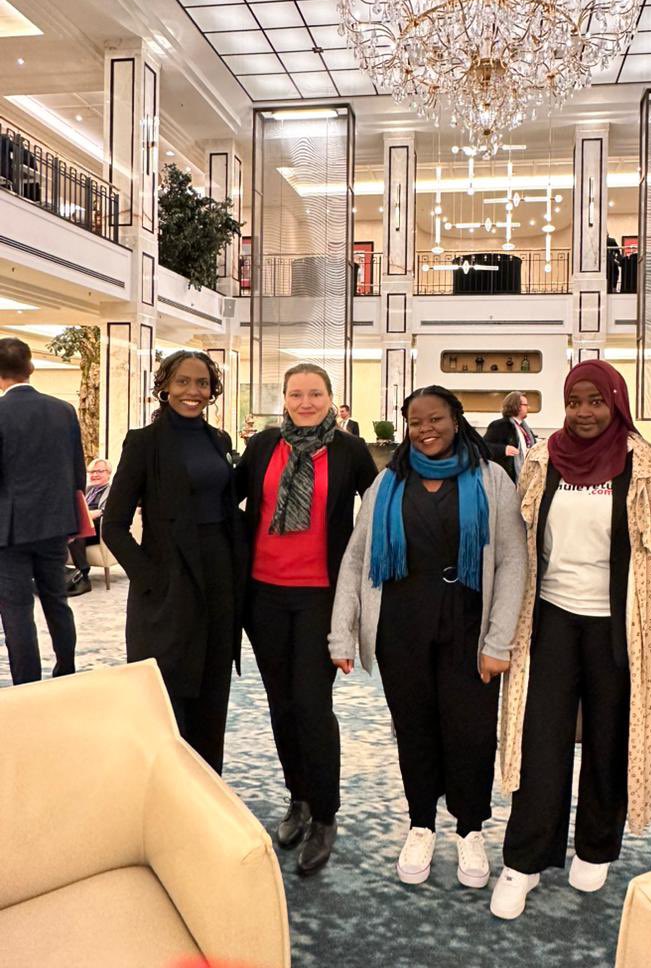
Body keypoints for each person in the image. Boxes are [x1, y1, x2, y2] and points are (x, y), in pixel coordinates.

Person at [490, 361, 651, 920]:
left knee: (611, 737)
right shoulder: (541, 459)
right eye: (574, 401)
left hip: (623, 627)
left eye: (595, 401)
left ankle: (597, 845)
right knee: (540, 740)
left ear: (616, 402)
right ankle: (525, 860)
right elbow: (519, 537)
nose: (583, 412)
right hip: (551, 619)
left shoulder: (650, 466)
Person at [330, 385, 527, 890]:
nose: (426, 429)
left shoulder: (492, 479)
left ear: (456, 419)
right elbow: (356, 559)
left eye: (435, 418)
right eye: (416, 422)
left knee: (472, 734)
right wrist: (341, 634)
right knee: (414, 729)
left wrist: (499, 641)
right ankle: (420, 824)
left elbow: (512, 562)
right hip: (401, 626)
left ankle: (469, 829)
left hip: (469, 626)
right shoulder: (388, 482)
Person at [235, 363, 377, 876]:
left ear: (331, 398)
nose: (306, 402)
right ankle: (298, 797)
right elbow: (227, 503)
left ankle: (325, 813)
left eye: (315, 393)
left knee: (313, 706)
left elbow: (379, 508)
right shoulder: (261, 447)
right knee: (282, 705)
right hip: (264, 596)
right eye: (296, 394)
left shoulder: (350, 450)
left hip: (321, 596)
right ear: (285, 398)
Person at [103, 351, 246, 774]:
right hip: (168, 581)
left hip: (218, 576)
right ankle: (166, 791)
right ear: (165, 386)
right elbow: (113, 525)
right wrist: (152, 579)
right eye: (183, 381)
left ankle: (206, 789)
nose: (193, 392)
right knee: (166, 694)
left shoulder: (218, 440)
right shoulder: (144, 442)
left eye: (202, 383)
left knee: (212, 691)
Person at [0, 338, 85, 685]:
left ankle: (27, 684)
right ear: (31, 368)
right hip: (55, 523)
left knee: (17, 610)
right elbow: (78, 473)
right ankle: (66, 670)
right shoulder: (63, 410)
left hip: (9, 529)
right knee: (57, 601)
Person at [66, 458, 113, 596]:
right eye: (92, 472)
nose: (95, 475)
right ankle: (61, 574)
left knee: (76, 533)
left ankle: (83, 576)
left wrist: (96, 513)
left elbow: (111, 510)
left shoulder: (113, 490)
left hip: (99, 528)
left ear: (108, 474)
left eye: (100, 471)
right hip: (83, 523)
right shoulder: (87, 490)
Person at [483, 391, 536, 483]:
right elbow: (483, 447)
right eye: (525, 405)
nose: (528, 407)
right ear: (516, 406)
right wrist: (504, 449)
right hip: (507, 478)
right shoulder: (499, 425)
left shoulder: (525, 428)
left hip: (525, 476)